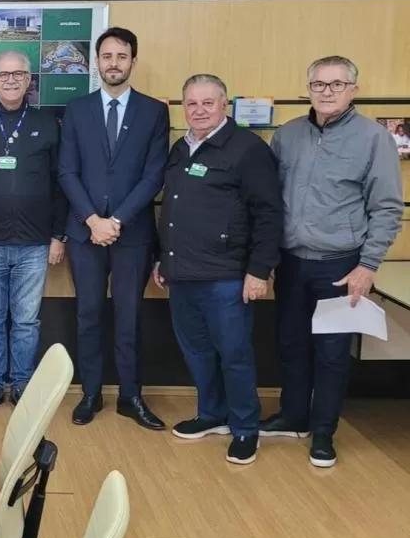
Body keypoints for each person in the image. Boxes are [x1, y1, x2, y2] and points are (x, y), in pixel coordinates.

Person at [262, 56, 403, 468]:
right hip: (290, 262)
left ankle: (323, 432)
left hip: (341, 267)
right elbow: (270, 205)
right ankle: (293, 416)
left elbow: (388, 208)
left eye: (337, 84)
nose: (327, 92)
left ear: (353, 91)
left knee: (332, 352)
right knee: (290, 345)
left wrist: (368, 265)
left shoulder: (373, 139)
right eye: (319, 84)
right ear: (307, 88)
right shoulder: (286, 136)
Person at [153, 74, 283, 465]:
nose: (199, 110)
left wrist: (259, 270)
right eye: (191, 103)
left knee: (234, 354)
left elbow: (269, 214)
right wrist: (164, 257)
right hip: (182, 273)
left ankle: (245, 428)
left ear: (225, 105)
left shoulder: (248, 149)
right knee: (197, 352)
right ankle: (213, 415)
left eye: (208, 103)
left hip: (227, 276)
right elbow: (173, 208)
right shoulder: (181, 147)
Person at [59, 27, 169, 430]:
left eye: (122, 56)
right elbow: (67, 171)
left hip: (132, 234)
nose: (114, 64)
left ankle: (130, 395)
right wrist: (92, 220)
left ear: (133, 62)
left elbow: (153, 175)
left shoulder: (154, 112)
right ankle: (90, 393)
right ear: (96, 63)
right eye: (106, 56)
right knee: (88, 315)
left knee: (130, 317)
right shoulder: (77, 110)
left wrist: (116, 221)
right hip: (85, 233)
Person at [0, 50, 67, 417]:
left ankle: (22, 384)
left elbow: (60, 183)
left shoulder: (49, 123)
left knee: (26, 320)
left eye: (17, 74)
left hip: (35, 242)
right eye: (2, 74)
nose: (9, 80)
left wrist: (58, 235)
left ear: (28, 80)